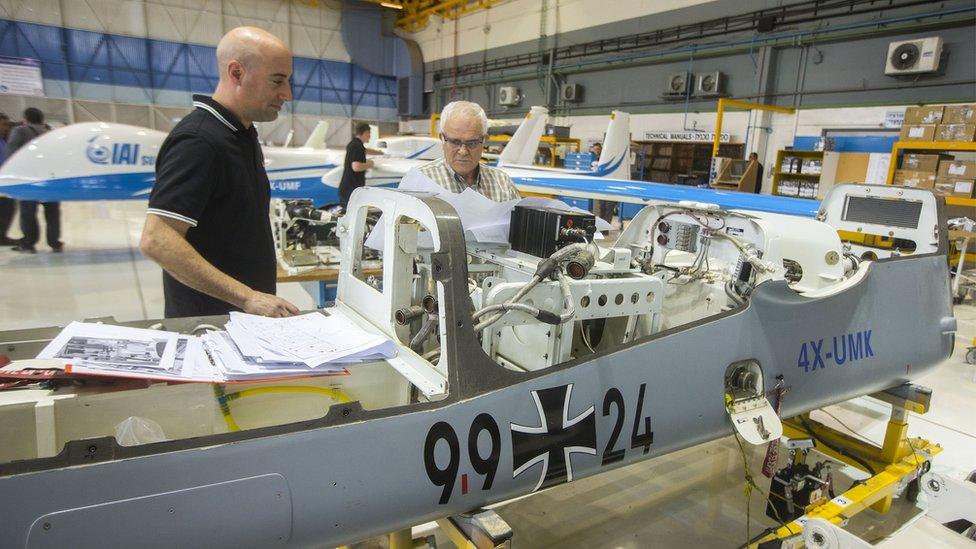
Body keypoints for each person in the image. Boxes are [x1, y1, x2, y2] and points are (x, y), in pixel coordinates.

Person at [140, 27, 299, 319]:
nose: (286, 94)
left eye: (287, 81)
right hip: (211, 327)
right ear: (236, 73)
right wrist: (248, 297)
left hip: (241, 321)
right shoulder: (200, 141)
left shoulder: (241, 134)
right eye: (277, 81)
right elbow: (157, 239)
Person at [419, 101, 520, 202]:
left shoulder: (503, 184)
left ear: (484, 140)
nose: (463, 151)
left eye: (472, 143)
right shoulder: (421, 183)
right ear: (442, 138)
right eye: (455, 142)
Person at [9, 108, 59, 253]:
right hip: (50, 179)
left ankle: (28, 244)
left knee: (28, 213)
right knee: (52, 213)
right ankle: (54, 242)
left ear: (25, 118)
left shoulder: (20, 131)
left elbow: (12, 154)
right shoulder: (51, 133)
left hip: (29, 179)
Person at [337, 122, 374, 209]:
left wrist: (381, 152)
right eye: (369, 133)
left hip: (348, 189)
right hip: (351, 191)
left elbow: (366, 150)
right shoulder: (357, 146)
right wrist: (370, 164)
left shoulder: (354, 144)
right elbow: (356, 167)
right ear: (365, 133)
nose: (370, 136)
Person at [0, 113, 16, 246]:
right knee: (7, 208)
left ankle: (2, 236)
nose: (7, 128)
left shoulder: (4, 141)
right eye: (4, 125)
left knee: (8, 209)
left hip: (5, 182)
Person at [589, 142, 615, 224]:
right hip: (601, 186)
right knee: (602, 206)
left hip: (610, 185)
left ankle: (606, 228)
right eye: (595, 149)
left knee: (609, 207)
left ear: (601, 149)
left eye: (598, 149)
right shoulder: (596, 158)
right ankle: (602, 226)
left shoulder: (606, 158)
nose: (596, 151)